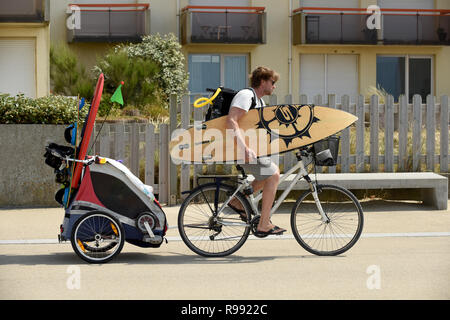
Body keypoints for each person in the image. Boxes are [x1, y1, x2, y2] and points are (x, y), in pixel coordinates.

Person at [225, 66, 286, 236]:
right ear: (262, 82)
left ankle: (238, 202)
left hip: (246, 149)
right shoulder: (246, 96)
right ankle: (264, 224)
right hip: (238, 149)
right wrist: (244, 148)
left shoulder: (259, 101)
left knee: (269, 174)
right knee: (274, 175)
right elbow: (231, 121)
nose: (274, 86)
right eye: (272, 82)